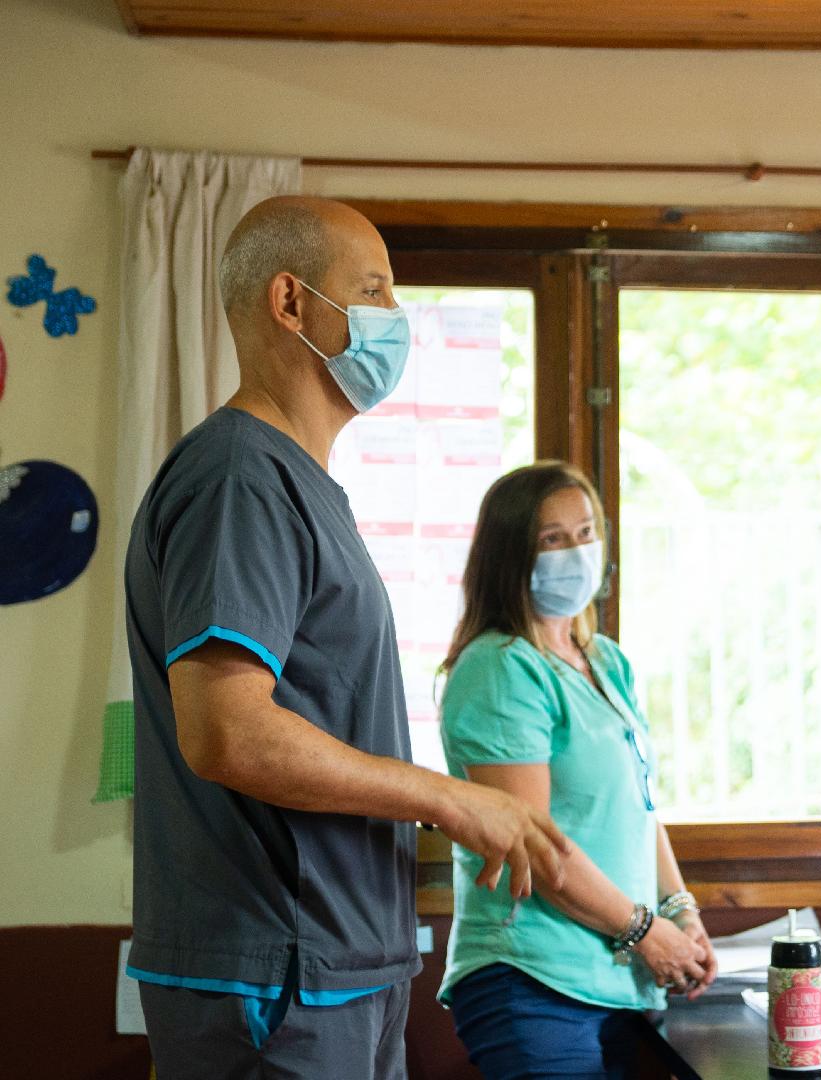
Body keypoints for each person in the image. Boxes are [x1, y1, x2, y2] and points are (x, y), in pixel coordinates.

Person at [124, 196, 570, 1079]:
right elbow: (227, 731)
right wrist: (449, 798)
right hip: (274, 974)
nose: (395, 321)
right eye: (372, 291)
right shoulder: (239, 478)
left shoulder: (304, 484)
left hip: (341, 966)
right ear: (290, 304)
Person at [436, 462, 718, 1079]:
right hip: (533, 979)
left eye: (586, 533)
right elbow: (531, 844)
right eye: (553, 539)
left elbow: (638, 810)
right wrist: (645, 930)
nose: (576, 552)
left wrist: (680, 913)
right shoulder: (500, 667)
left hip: (614, 981)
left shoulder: (605, 662)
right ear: (511, 556)